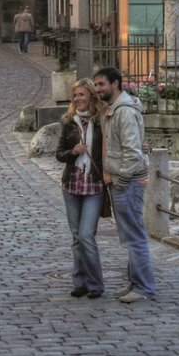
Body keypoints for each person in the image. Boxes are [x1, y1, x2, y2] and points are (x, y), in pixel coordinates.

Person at [92, 67, 156, 303]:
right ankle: (136, 283)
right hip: (120, 180)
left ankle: (144, 287)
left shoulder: (124, 112)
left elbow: (133, 153)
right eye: (96, 85)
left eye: (101, 85)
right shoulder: (112, 109)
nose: (98, 89)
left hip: (126, 182)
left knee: (134, 237)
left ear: (116, 84)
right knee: (130, 234)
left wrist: (123, 180)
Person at [55, 79, 108, 300]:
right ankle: (80, 282)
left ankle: (96, 283)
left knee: (87, 235)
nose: (77, 99)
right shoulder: (68, 122)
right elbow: (59, 154)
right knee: (76, 237)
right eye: (74, 95)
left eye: (81, 95)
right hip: (72, 184)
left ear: (92, 97)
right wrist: (73, 152)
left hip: (93, 184)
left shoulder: (101, 122)